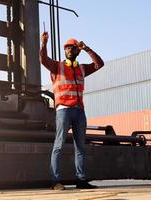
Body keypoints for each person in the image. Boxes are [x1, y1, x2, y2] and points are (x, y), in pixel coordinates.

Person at [40, 32, 104, 190]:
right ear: (65, 51)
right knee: (59, 145)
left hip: (79, 112)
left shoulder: (81, 69)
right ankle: (55, 181)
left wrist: (87, 48)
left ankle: (81, 180)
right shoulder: (57, 66)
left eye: (72, 48)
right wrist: (44, 43)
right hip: (63, 111)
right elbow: (43, 59)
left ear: (77, 51)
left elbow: (99, 64)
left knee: (80, 147)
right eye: (67, 48)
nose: (69, 50)